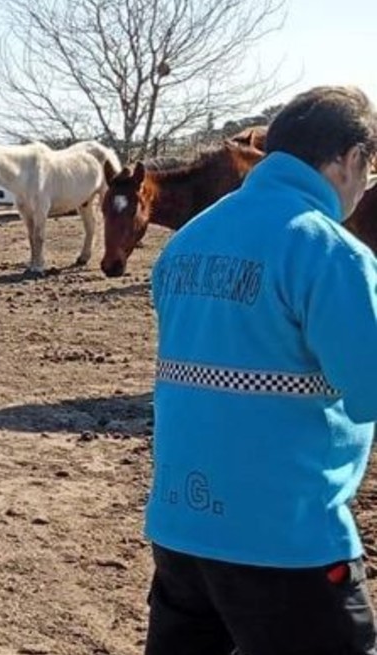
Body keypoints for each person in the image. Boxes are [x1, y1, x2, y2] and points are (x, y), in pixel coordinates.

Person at [145, 85, 377, 654]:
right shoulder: (330, 252)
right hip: (287, 539)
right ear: (350, 160)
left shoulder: (187, 243)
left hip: (180, 530)